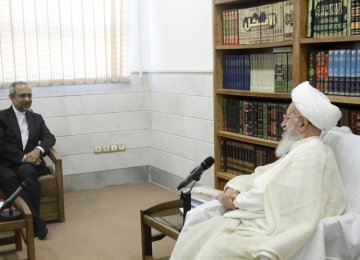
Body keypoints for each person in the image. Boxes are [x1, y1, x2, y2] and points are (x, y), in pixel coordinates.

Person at [170, 81, 347, 260]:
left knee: (213, 246)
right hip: (258, 213)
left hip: (274, 227)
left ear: (303, 124)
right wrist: (234, 188)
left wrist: (236, 200)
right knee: (201, 228)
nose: (282, 124)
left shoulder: (313, 155)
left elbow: (278, 197)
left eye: (287, 118)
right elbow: (263, 175)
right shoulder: (302, 149)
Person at [0, 81, 56, 239]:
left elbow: (49, 138)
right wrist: (25, 157)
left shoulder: (36, 118)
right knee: (8, 178)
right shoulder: (2, 117)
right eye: (22, 95)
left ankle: (30, 220)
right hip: (6, 163)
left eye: (29, 95)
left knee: (27, 173)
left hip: (30, 165)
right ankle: (36, 221)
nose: (27, 99)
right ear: (11, 97)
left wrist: (38, 150)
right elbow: (1, 146)